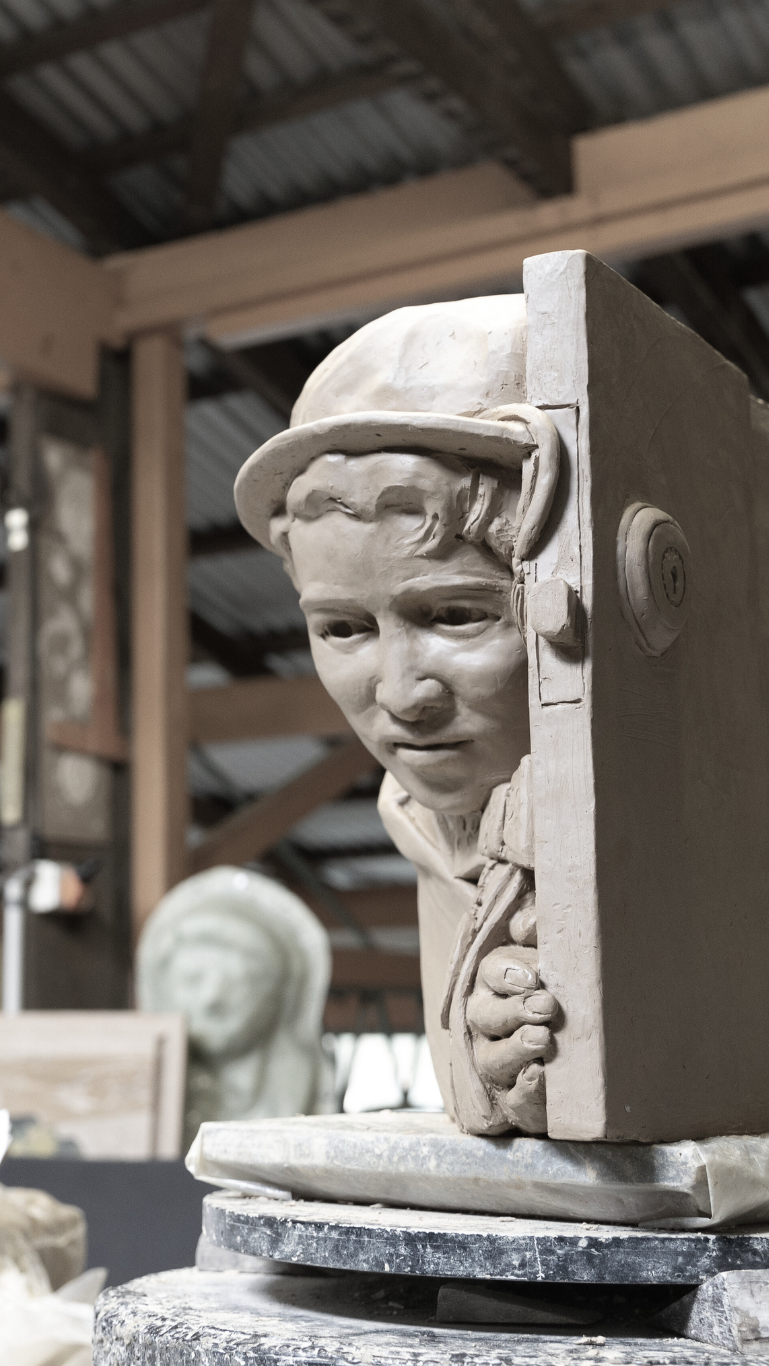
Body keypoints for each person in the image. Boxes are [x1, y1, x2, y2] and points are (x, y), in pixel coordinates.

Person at [230, 294, 565, 1136]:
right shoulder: (417, 815)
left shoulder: (681, 821)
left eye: (456, 616)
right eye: (342, 629)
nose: (401, 695)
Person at [137, 866, 330, 1143]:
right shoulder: (145, 1087)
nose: (212, 999)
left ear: (278, 997)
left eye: (237, 983)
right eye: (193, 980)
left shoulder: (296, 1090)